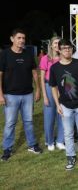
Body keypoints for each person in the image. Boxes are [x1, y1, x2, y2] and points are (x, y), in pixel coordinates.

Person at [0, 29, 43, 161]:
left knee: (29, 121)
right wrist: (0, 94)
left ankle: (32, 145)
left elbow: (34, 73)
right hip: (10, 95)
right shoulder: (5, 54)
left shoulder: (28, 54)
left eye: (23, 38)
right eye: (19, 38)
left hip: (27, 94)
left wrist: (37, 90)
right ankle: (7, 149)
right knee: (10, 123)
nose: (22, 40)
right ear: (12, 39)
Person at [49, 39, 78, 170]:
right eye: (64, 48)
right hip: (65, 106)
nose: (67, 50)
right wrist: (57, 104)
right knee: (68, 133)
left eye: (69, 48)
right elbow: (54, 87)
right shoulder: (54, 68)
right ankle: (71, 157)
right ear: (59, 50)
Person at [39, 36, 65, 151]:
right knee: (49, 116)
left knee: (62, 114)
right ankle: (49, 141)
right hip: (49, 87)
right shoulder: (46, 58)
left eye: (59, 43)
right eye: (55, 43)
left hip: (63, 87)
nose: (57, 45)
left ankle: (60, 140)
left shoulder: (63, 58)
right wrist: (44, 95)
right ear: (51, 45)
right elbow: (42, 78)